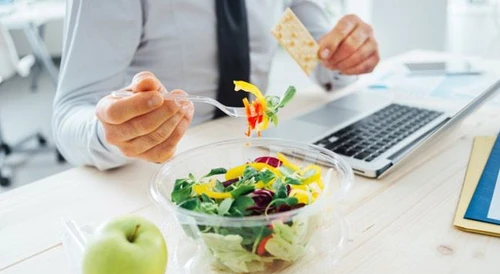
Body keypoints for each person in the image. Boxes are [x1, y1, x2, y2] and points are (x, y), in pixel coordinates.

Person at [53, 1, 380, 171]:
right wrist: (118, 133)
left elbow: (323, 63)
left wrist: (348, 55)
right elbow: (71, 113)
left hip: (259, 155)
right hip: (154, 173)